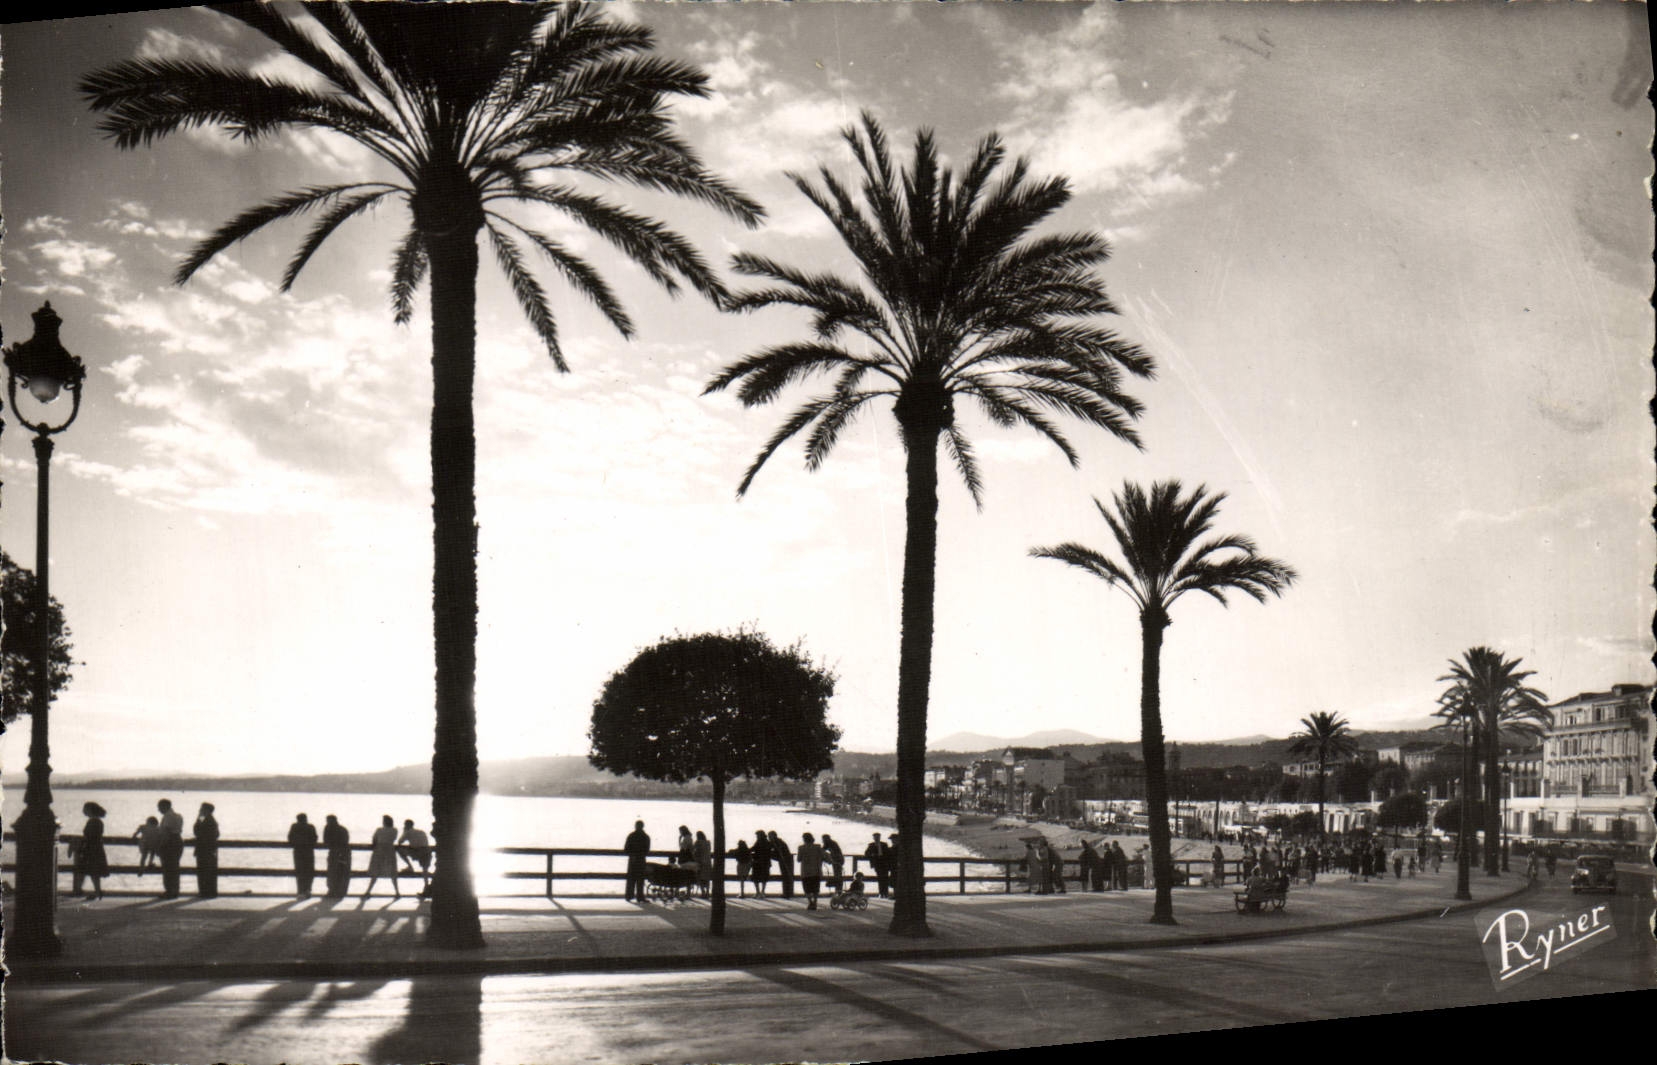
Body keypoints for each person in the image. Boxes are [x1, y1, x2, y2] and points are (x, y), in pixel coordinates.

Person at [71, 801, 110, 901]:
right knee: (93, 872)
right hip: (96, 848)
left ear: (89, 810)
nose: (83, 811)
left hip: (91, 848)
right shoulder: (98, 821)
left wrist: (81, 843)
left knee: (86, 870)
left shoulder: (93, 821)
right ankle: (96, 891)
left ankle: (80, 890)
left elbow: (90, 836)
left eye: (85, 809)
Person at [362, 815, 401, 900]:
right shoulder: (394, 830)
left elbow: (374, 839)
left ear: (384, 822)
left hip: (379, 850)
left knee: (375, 871)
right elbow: (394, 839)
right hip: (390, 850)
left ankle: (368, 891)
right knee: (392, 871)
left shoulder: (379, 830)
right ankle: (397, 892)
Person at [156, 799, 185, 899]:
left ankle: (169, 891)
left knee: (168, 868)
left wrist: (160, 846)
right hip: (178, 841)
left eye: (159, 807)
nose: (158, 809)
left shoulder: (168, 817)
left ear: (164, 807)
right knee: (175, 867)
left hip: (170, 842)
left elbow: (166, 833)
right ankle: (175, 890)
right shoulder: (179, 816)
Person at [193, 802, 221, 898]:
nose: (199, 810)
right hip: (209, 849)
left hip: (205, 849)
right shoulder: (210, 820)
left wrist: (199, 818)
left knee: (205, 872)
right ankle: (208, 892)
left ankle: (206, 892)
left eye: (201, 809)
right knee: (208, 872)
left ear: (206, 810)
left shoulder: (208, 820)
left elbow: (196, 831)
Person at [397, 818, 432, 893]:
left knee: (400, 851)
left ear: (406, 825)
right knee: (425, 871)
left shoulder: (408, 832)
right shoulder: (421, 831)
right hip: (427, 850)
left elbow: (400, 841)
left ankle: (410, 867)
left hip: (417, 851)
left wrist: (404, 832)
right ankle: (426, 888)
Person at [288, 813, 319, 898]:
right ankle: (308, 890)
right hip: (308, 851)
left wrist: (296, 845)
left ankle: (300, 891)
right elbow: (315, 838)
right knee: (309, 872)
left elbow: (290, 838)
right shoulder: (310, 827)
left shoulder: (294, 827)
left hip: (298, 851)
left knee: (299, 871)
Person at [324, 814, 352, 898]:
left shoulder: (328, 828)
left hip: (335, 853)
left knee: (332, 873)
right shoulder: (343, 829)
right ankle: (340, 892)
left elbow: (326, 841)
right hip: (344, 853)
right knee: (342, 873)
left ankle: (332, 892)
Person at [623, 820, 651, 903]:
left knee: (631, 878)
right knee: (640, 879)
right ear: (643, 826)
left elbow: (626, 848)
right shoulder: (645, 836)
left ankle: (629, 896)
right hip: (641, 859)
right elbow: (647, 849)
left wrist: (632, 854)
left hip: (633, 859)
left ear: (636, 826)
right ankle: (640, 896)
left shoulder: (631, 836)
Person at [798, 832, 826, 910]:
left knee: (807, 888)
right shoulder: (818, 847)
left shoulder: (801, 848)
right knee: (815, 888)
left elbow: (798, 859)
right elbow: (823, 856)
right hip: (816, 870)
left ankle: (810, 902)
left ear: (804, 839)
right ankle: (815, 902)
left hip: (806, 871)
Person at [769, 831, 795, 899]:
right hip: (783, 860)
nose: (769, 838)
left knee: (786, 876)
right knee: (785, 876)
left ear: (774, 836)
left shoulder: (777, 842)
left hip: (785, 860)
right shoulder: (776, 841)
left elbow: (779, 851)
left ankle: (787, 893)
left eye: (770, 836)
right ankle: (786, 893)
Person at [865, 833, 891, 898]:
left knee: (885, 878)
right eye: (875, 837)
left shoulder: (884, 844)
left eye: (878, 837)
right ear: (873, 838)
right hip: (877, 864)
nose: (877, 838)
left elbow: (888, 853)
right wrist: (872, 855)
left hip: (885, 864)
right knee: (880, 878)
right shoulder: (871, 845)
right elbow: (866, 853)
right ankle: (881, 893)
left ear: (880, 837)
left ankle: (886, 893)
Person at [750, 830, 772, 897]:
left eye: (757, 835)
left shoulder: (758, 842)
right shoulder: (767, 842)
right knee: (764, 878)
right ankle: (762, 892)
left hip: (757, 862)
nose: (757, 836)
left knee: (755, 878)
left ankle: (758, 892)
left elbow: (753, 849)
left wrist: (745, 851)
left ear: (760, 835)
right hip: (766, 862)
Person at [693, 831, 713, 899]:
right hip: (708, 862)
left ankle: (703, 892)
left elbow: (694, 850)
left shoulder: (697, 842)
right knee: (707, 878)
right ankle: (707, 892)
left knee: (700, 878)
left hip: (700, 862)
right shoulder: (708, 842)